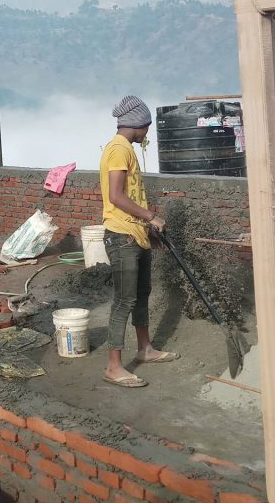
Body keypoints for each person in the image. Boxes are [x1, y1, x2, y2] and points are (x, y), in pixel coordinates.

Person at [100, 95, 180, 388]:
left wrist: (147, 229)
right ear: (138, 124)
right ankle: (113, 367)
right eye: (146, 127)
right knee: (124, 300)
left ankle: (145, 349)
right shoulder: (119, 149)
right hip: (121, 237)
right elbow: (116, 197)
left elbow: (131, 196)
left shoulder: (127, 150)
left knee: (142, 294)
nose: (146, 133)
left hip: (136, 234)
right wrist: (152, 217)